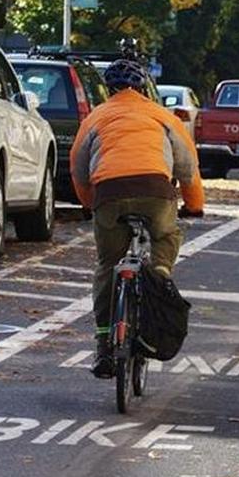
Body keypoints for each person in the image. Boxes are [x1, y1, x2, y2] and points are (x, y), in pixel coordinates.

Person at [69, 59, 205, 378]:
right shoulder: (162, 115)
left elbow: (78, 169)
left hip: (109, 194)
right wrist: (194, 205)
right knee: (166, 235)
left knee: (107, 265)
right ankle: (160, 271)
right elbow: (188, 168)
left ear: (108, 89)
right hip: (155, 190)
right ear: (144, 88)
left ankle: (104, 343)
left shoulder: (96, 117)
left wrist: (90, 204)